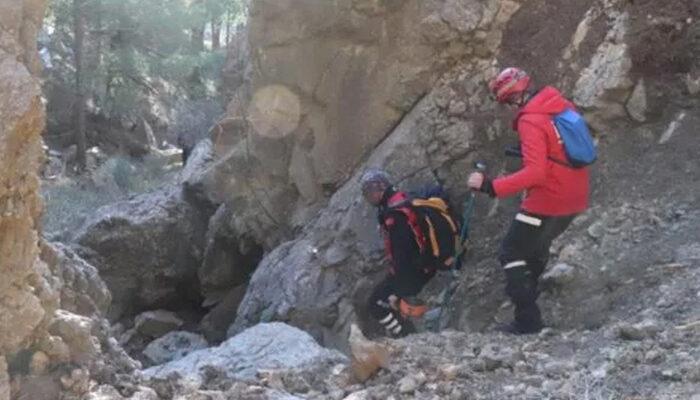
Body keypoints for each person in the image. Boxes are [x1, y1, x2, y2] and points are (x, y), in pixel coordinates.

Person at [467, 67, 590, 334]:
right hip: (576, 195)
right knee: (536, 249)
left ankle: (527, 320)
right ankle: (529, 308)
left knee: (510, 252)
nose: (510, 107)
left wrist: (490, 186)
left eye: (507, 102)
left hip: (549, 198)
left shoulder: (530, 120)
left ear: (513, 97)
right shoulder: (559, 104)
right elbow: (560, 147)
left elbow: (536, 172)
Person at [361, 169, 453, 338]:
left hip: (415, 272)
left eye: (371, 190)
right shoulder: (403, 201)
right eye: (366, 193)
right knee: (385, 298)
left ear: (382, 186)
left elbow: (402, 252)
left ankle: (406, 337)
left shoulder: (395, 214)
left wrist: (398, 286)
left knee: (376, 305)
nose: (369, 196)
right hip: (424, 266)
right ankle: (407, 334)